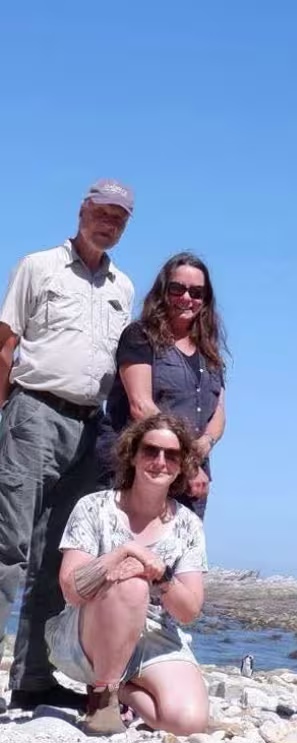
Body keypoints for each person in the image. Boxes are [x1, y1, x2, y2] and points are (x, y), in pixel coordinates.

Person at [0, 179, 135, 710]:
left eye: (119, 218)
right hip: (33, 414)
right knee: (7, 548)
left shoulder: (123, 287)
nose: (109, 223)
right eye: (102, 212)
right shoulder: (38, 266)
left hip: (90, 430)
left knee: (59, 559)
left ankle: (32, 677)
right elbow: (6, 347)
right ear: (82, 210)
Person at [45, 413, 209, 736]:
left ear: (181, 465)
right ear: (132, 454)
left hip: (154, 636)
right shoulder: (93, 508)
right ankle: (102, 698)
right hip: (91, 629)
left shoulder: (189, 525)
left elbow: (189, 612)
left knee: (188, 722)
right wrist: (122, 556)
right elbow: (71, 589)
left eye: (171, 455)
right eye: (150, 451)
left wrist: (161, 577)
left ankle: (122, 688)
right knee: (132, 586)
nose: (160, 461)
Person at [96, 252, 227, 518]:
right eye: (178, 289)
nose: (187, 298)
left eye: (197, 292)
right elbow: (141, 405)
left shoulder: (209, 354)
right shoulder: (140, 337)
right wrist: (188, 461)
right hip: (138, 473)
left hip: (189, 481)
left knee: (178, 557)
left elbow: (219, 413)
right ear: (163, 291)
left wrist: (206, 443)